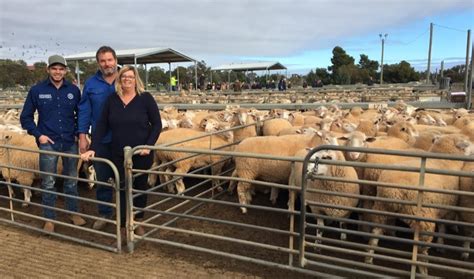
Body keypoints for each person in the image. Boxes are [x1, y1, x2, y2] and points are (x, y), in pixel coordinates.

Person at [81, 66, 162, 236]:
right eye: (124, 76)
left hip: (141, 153)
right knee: (123, 187)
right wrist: (93, 147)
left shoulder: (145, 98)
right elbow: (102, 125)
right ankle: (125, 224)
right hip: (118, 152)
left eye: (130, 77)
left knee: (139, 187)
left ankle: (137, 219)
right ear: (120, 79)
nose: (127, 79)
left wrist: (148, 145)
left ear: (136, 79)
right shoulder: (112, 99)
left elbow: (157, 124)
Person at [20, 55, 86, 232]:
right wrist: (39, 135)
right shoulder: (37, 90)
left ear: (65, 70)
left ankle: (73, 213)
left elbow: (80, 115)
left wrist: (80, 135)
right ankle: (49, 218)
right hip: (48, 142)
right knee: (48, 181)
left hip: (69, 141)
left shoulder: (73, 90)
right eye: (54, 68)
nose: (58, 72)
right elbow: (25, 117)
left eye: (61, 69)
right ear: (48, 69)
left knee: (71, 180)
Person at [77, 46, 118, 230]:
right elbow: (84, 110)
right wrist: (83, 136)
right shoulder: (91, 83)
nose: (107, 64)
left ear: (115, 60)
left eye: (109, 60)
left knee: (127, 177)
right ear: (98, 63)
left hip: (124, 138)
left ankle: (129, 215)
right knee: (102, 178)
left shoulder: (126, 77)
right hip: (100, 139)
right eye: (103, 60)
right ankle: (105, 213)